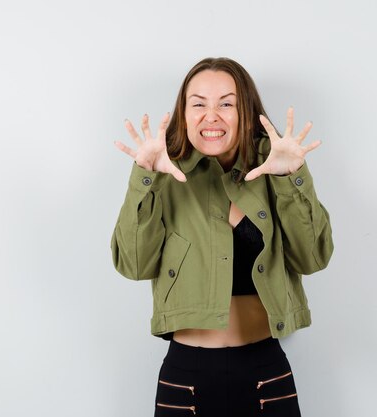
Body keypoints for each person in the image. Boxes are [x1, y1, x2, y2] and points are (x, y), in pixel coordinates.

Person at [111, 57, 333, 417]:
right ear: (183, 113)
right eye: (198, 104)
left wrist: (293, 177)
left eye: (226, 104)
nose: (210, 115)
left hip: (266, 372)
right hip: (186, 378)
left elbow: (313, 257)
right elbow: (134, 265)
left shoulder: (274, 168)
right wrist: (144, 178)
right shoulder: (166, 173)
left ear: (245, 111)